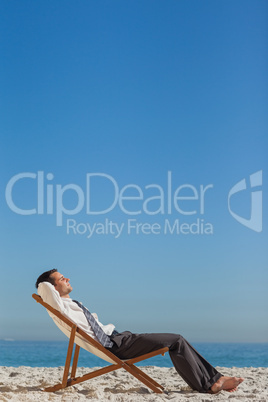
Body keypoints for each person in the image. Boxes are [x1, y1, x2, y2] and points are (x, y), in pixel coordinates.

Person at [35, 269, 244, 394]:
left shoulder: (69, 304)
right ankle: (208, 385)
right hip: (116, 345)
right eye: (62, 278)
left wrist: (56, 280)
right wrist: (48, 280)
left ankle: (215, 378)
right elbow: (43, 286)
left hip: (121, 338)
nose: (68, 279)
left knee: (177, 340)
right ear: (52, 287)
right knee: (176, 340)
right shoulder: (57, 304)